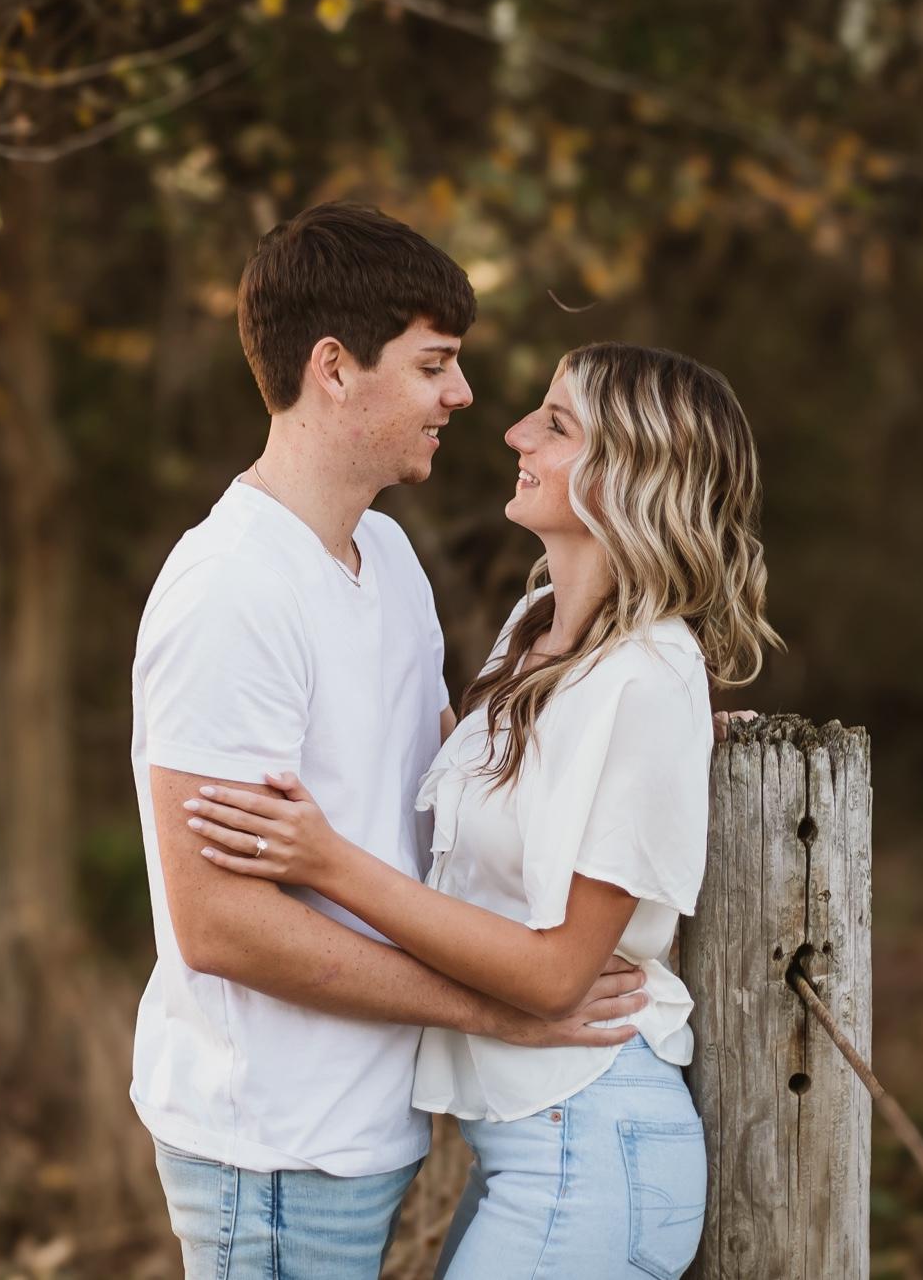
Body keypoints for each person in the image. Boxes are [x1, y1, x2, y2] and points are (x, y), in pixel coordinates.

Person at [129, 202, 655, 1280]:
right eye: (433, 364)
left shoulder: (386, 552)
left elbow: (460, 773)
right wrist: (499, 1010)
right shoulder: (232, 589)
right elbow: (218, 924)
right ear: (333, 368)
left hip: (367, 1125)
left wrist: (642, 719)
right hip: (273, 1147)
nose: (463, 395)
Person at [190, 340, 784, 1277]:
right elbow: (470, 797)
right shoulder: (533, 630)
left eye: (556, 425)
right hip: (533, 1148)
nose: (514, 433)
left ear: (629, 472)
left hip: (591, 1149)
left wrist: (326, 863)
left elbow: (556, 978)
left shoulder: (652, 675)